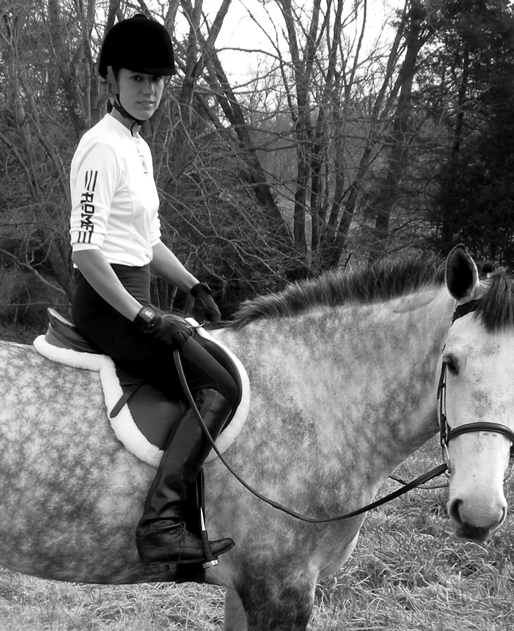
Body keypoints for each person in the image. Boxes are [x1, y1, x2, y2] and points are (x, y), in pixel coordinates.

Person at [69, 14, 236, 568]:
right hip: (106, 306)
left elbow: (148, 241)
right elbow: (88, 253)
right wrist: (141, 315)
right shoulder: (101, 147)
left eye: (158, 80)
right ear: (111, 78)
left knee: (222, 368)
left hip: (135, 297)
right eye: (138, 78)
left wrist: (193, 285)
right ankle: (161, 522)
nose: (150, 91)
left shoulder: (136, 147)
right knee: (218, 385)